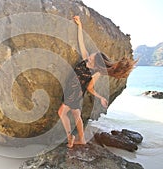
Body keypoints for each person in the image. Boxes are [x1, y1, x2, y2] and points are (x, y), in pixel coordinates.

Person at [58, 16, 137, 148]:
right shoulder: (86, 60)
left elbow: (90, 88)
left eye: (91, 57)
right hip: (76, 93)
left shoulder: (96, 72)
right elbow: (81, 43)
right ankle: (81, 139)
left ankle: (70, 136)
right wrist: (80, 26)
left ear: (96, 63)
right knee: (76, 115)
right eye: (91, 55)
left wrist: (100, 97)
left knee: (62, 112)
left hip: (73, 92)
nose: (89, 56)